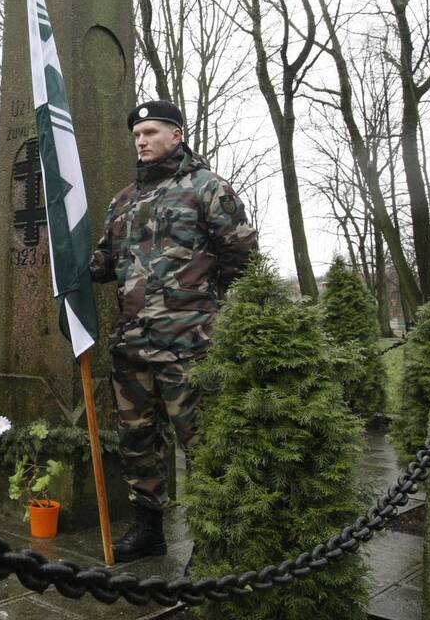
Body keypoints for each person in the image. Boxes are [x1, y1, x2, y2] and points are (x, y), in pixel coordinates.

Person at [90, 100, 258, 562]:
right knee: (137, 441)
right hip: (133, 346)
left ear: (176, 134)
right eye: (137, 134)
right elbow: (104, 264)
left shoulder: (208, 189)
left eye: (150, 131)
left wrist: (204, 311)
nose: (141, 141)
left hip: (189, 346)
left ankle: (213, 539)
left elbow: (240, 261)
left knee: (201, 445)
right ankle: (149, 530)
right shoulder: (124, 200)